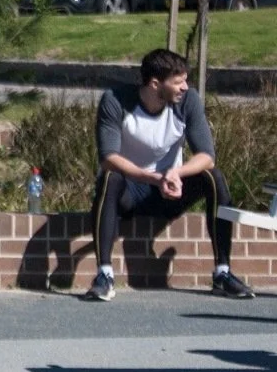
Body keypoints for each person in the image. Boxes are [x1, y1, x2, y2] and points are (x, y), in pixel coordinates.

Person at [86, 48, 247, 301]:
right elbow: (108, 158)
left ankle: (222, 272)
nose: (185, 87)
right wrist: (152, 177)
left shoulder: (188, 101)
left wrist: (176, 173)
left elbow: (207, 155)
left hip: (171, 191)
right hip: (130, 193)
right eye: (178, 82)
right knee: (109, 177)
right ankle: (104, 275)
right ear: (155, 84)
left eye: (185, 80)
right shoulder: (116, 100)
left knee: (212, 176)